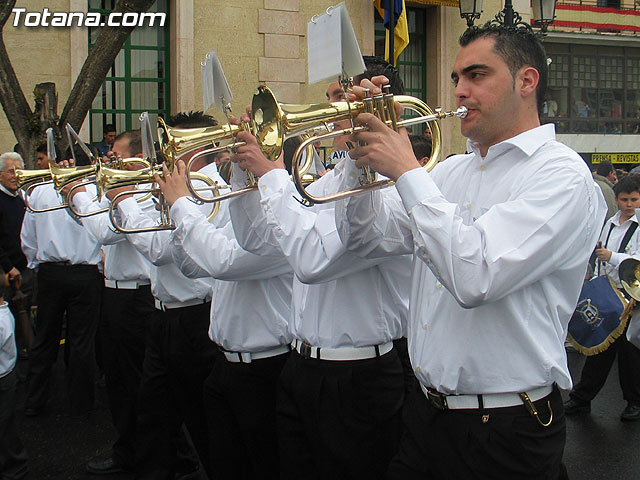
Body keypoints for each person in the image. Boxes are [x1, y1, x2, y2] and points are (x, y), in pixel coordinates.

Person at [335, 24, 606, 478]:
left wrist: (406, 169)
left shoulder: (562, 175)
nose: (460, 91)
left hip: (504, 428)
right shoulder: (450, 171)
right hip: (425, 416)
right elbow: (364, 239)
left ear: (526, 81)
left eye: (477, 76)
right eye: (457, 78)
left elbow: (476, 276)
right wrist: (355, 156)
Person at [229, 57, 411, 478]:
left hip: (360, 375)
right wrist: (246, 178)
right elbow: (258, 241)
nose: (334, 111)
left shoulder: (402, 186)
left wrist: (271, 175)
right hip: (302, 366)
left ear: (379, 106)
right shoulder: (323, 179)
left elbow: (313, 260)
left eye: (346, 101)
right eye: (333, 99)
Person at [157, 159, 294, 479]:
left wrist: (182, 206)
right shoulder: (237, 210)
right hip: (224, 363)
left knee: (265, 466)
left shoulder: (284, 221)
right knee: (224, 465)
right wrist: (176, 218)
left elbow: (224, 261)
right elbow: (192, 267)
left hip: (265, 367)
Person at [110, 114, 223, 480]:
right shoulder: (176, 185)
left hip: (195, 318)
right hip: (162, 315)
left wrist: (125, 202)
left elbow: (162, 251)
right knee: (153, 415)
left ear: (201, 150)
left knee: (203, 420)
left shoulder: (210, 189)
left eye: (175, 147)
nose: (165, 156)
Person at [62, 131, 155, 475]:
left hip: (136, 295)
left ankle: (139, 454)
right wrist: (75, 197)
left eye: (116, 156)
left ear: (137, 157)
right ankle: (134, 449)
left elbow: (108, 230)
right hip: (115, 291)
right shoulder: (117, 188)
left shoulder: (143, 190)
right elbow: (94, 224)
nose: (109, 162)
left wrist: (82, 198)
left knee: (134, 384)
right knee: (120, 380)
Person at [20, 149, 103, 416]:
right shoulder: (94, 191)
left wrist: (36, 263)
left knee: (45, 337)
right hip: (86, 273)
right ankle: (81, 404)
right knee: (81, 342)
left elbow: (28, 238)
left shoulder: (41, 192)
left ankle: (35, 401)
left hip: (50, 272)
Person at [563, 175, 640, 421]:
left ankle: (634, 401)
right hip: (609, 294)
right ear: (616, 200)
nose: (630, 204)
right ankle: (581, 399)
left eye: (635, 200)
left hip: (632, 298)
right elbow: (599, 254)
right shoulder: (610, 224)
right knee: (599, 350)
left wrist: (613, 257)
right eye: (625, 199)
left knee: (630, 355)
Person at [0, 152, 34, 354]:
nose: (15, 176)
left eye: (19, 172)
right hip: (6, 272)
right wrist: (8, 266)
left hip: (25, 269)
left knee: (24, 315)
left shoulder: (23, 198)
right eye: (11, 172)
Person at [0, 267, 28, 480]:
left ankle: (14, 468)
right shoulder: (5, 312)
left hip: (3, 380)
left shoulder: (1, 320)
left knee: (6, 428)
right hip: (7, 377)